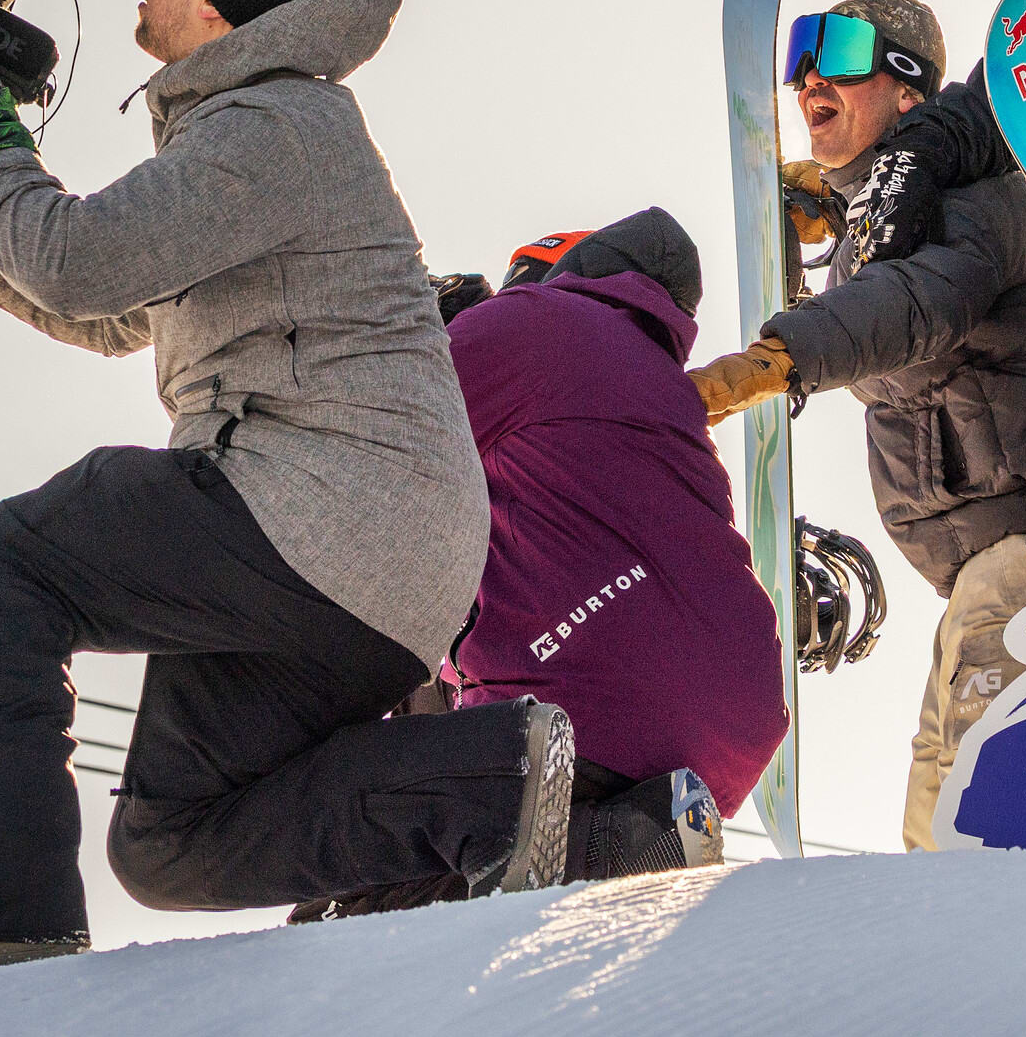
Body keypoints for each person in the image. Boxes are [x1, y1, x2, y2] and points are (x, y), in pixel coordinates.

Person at [0, 0, 552, 979]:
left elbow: (80, 260)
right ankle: (494, 776)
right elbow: (112, 311)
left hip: (323, 501)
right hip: (377, 571)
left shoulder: (275, 119)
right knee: (167, 842)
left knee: (3, 562)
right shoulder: (259, 132)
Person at [684, 0, 1026, 851]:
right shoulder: (887, 221)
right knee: (938, 846)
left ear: (913, 92)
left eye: (844, 52)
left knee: (976, 848)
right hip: (987, 583)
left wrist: (782, 355)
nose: (813, 73)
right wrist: (835, 211)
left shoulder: (982, 201)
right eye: (803, 55)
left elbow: (917, 302)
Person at [293, 209, 778, 919]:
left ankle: (618, 842)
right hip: (731, 719)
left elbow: (373, 431)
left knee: (362, 899)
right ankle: (630, 837)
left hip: (591, 698)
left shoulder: (532, 322)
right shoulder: (659, 390)